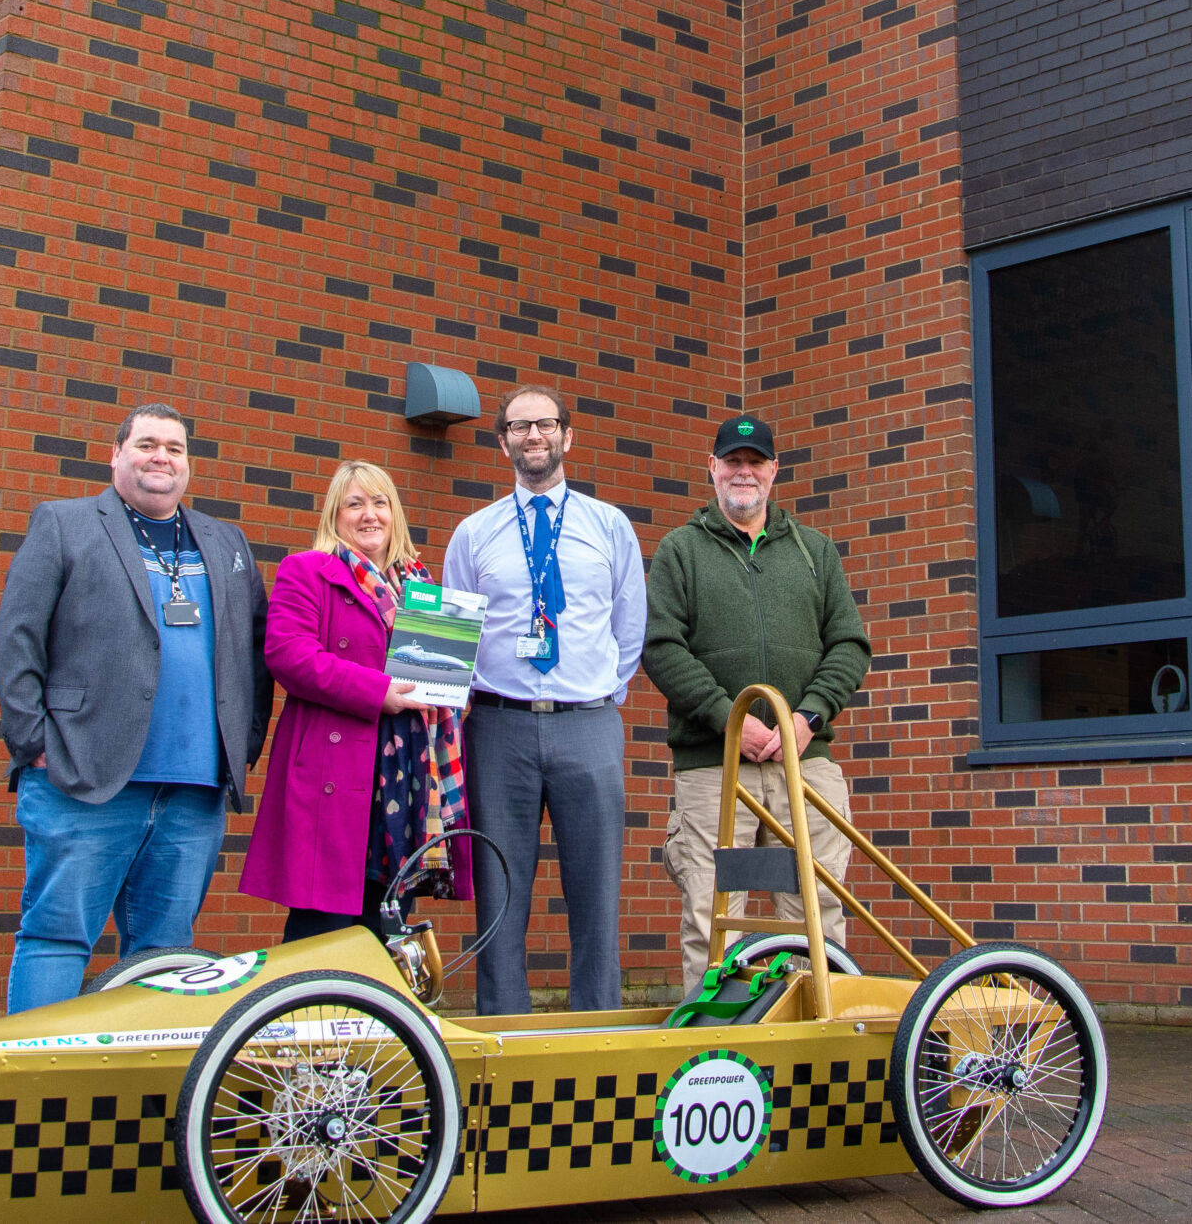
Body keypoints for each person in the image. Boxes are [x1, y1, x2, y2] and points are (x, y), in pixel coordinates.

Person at [0, 402, 271, 1013]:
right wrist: (32, 742)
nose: (160, 458)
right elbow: (18, 636)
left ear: (188, 464)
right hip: (82, 776)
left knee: (166, 955)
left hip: (194, 788)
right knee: (57, 937)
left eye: (174, 447)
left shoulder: (226, 542)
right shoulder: (64, 524)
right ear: (116, 455)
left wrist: (239, 744)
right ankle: (33, 1097)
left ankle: (133, 1099)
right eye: (146, 444)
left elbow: (254, 650)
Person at [643, 413, 870, 986]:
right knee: (715, 921)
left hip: (805, 763)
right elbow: (661, 646)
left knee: (818, 915)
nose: (744, 473)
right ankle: (718, 1057)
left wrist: (807, 717)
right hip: (715, 770)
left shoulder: (815, 551)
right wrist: (730, 720)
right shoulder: (680, 551)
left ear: (774, 471)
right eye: (733, 462)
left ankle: (815, 1052)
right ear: (712, 468)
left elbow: (850, 643)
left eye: (756, 463)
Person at [442, 384, 648, 1014]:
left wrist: (600, 695)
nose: (534, 436)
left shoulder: (609, 526)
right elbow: (453, 636)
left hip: (587, 725)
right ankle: (504, 1031)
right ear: (502, 442)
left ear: (567, 436)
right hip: (498, 728)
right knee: (500, 891)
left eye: (546, 424)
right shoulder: (473, 535)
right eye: (520, 426)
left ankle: (597, 1029)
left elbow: (630, 624)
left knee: (596, 890)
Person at [244, 460, 472, 938]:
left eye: (379, 502)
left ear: (395, 514)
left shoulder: (423, 587)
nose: (369, 514)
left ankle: (371, 1014)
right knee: (321, 932)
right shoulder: (306, 570)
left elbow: (437, 684)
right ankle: (304, 1011)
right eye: (355, 504)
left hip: (409, 776)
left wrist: (450, 696)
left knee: (387, 925)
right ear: (335, 515)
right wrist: (379, 693)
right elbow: (288, 654)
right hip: (338, 770)